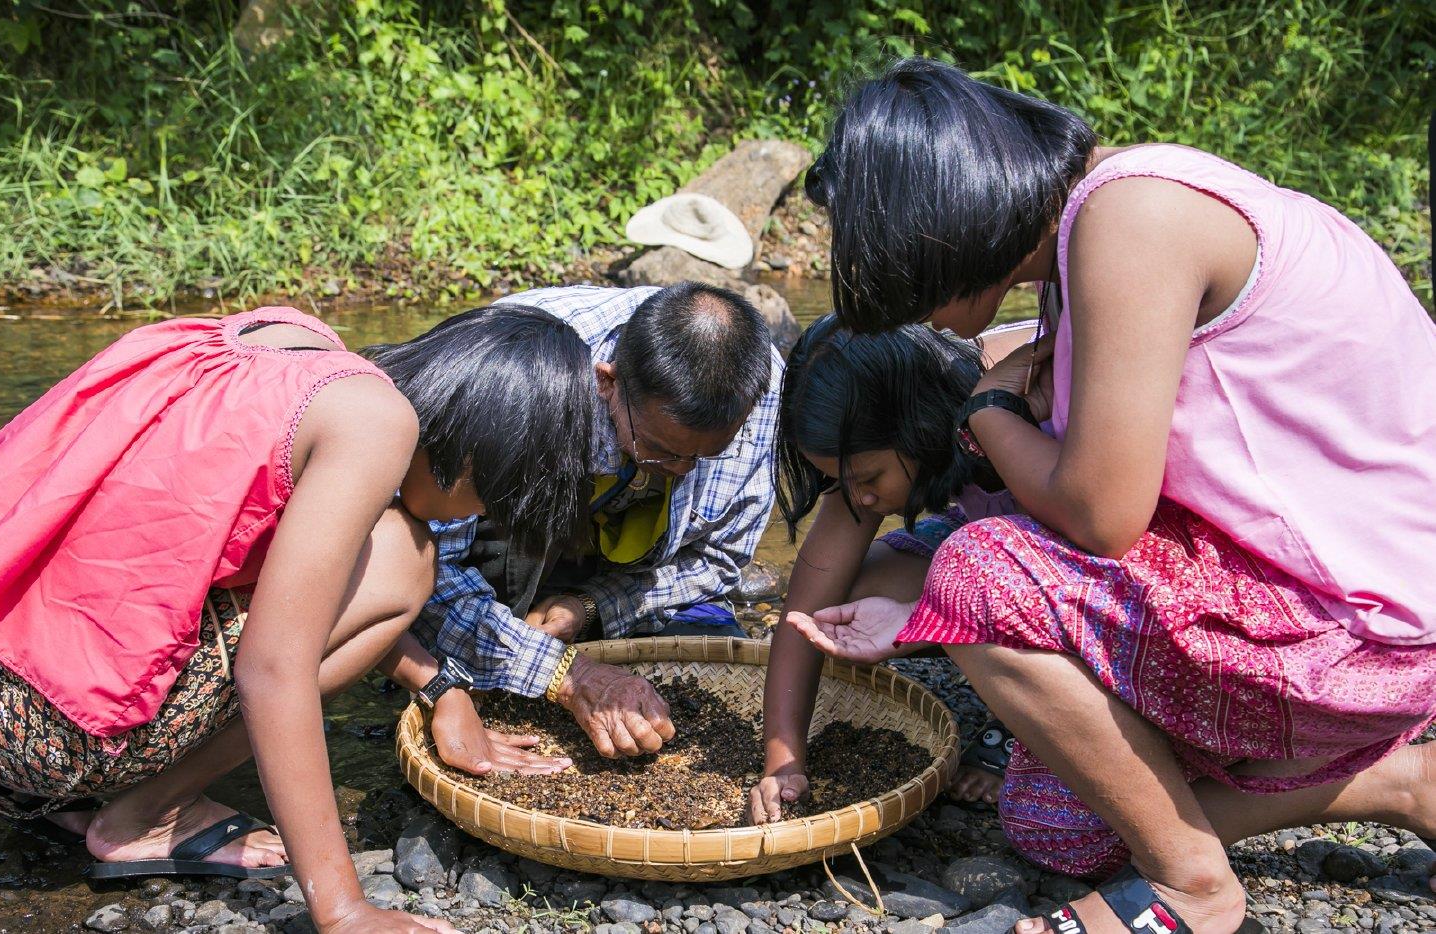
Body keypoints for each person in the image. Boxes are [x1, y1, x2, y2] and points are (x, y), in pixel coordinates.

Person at [790, 58, 1436, 934]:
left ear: (946, 221)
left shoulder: (1134, 215)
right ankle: (1397, 782)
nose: (926, 318)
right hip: (1328, 603)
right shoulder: (1088, 241)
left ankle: (1192, 888)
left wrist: (986, 411)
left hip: (1363, 627)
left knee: (976, 571)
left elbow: (1100, 517)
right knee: (1055, 825)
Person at [0, 304, 593, 934]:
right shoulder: (380, 428)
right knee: (406, 559)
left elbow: (307, 580)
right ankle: (142, 816)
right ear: (476, 450)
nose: (471, 518)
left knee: (382, 550)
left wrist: (437, 685)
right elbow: (273, 669)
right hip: (15, 724)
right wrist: (344, 908)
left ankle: (75, 785)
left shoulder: (296, 344)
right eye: (488, 499)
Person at [413, 282, 781, 760]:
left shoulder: (759, 390)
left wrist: (591, 606)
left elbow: (718, 559)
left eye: (705, 455)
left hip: (625, 560)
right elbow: (426, 559)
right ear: (606, 381)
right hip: (517, 524)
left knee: (713, 654)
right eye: (662, 450)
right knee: (463, 647)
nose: (684, 470)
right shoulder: (522, 369)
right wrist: (567, 675)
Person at [749, 314, 1034, 825]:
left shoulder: (1024, 395)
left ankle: (1018, 725)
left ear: (916, 423)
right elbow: (807, 607)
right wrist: (783, 759)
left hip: (1082, 559)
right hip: (981, 541)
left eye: (868, 477)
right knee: (843, 612)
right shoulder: (873, 440)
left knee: (970, 562)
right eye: (840, 480)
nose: (858, 497)